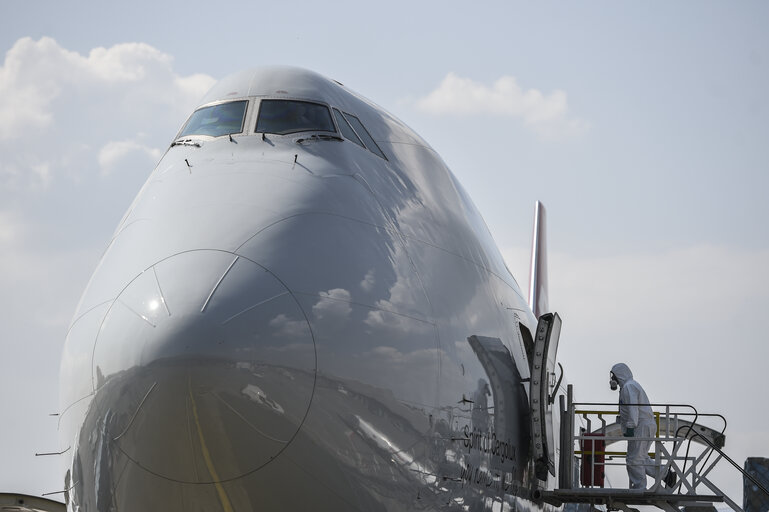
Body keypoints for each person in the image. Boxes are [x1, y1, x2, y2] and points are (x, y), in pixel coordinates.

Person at [610, 363, 667, 490]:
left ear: (619, 375)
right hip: (644, 425)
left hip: (640, 426)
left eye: (613, 376)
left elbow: (632, 409)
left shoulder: (629, 387)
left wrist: (630, 426)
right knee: (640, 457)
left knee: (633, 460)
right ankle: (666, 474)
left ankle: (639, 487)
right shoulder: (629, 386)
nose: (612, 380)